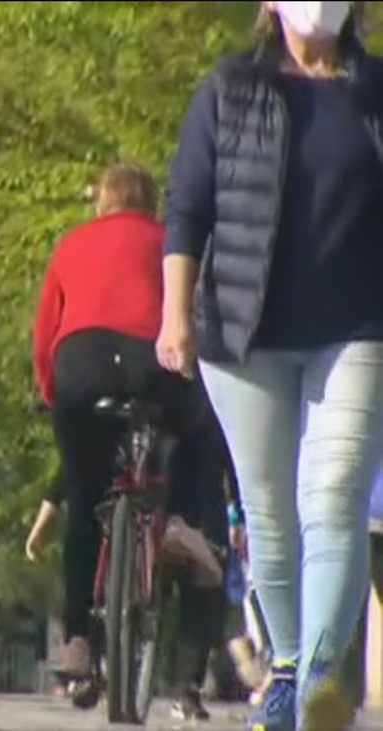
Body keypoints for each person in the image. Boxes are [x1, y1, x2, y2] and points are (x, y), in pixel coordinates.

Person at [157, 2, 383, 728]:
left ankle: (319, 684)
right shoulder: (230, 88)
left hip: (356, 329)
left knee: (335, 497)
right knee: (270, 513)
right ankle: (287, 666)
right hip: (241, 333)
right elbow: (186, 207)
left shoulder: (374, 89)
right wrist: (172, 314)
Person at [31, 161, 223, 686]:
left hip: (81, 365)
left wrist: (52, 396)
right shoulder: (168, 241)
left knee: (83, 498)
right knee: (197, 425)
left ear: (103, 201)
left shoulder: (72, 244)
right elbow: (197, 315)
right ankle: (182, 520)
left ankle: (74, 640)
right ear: (150, 203)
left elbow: (46, 329)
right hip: (152, 362)